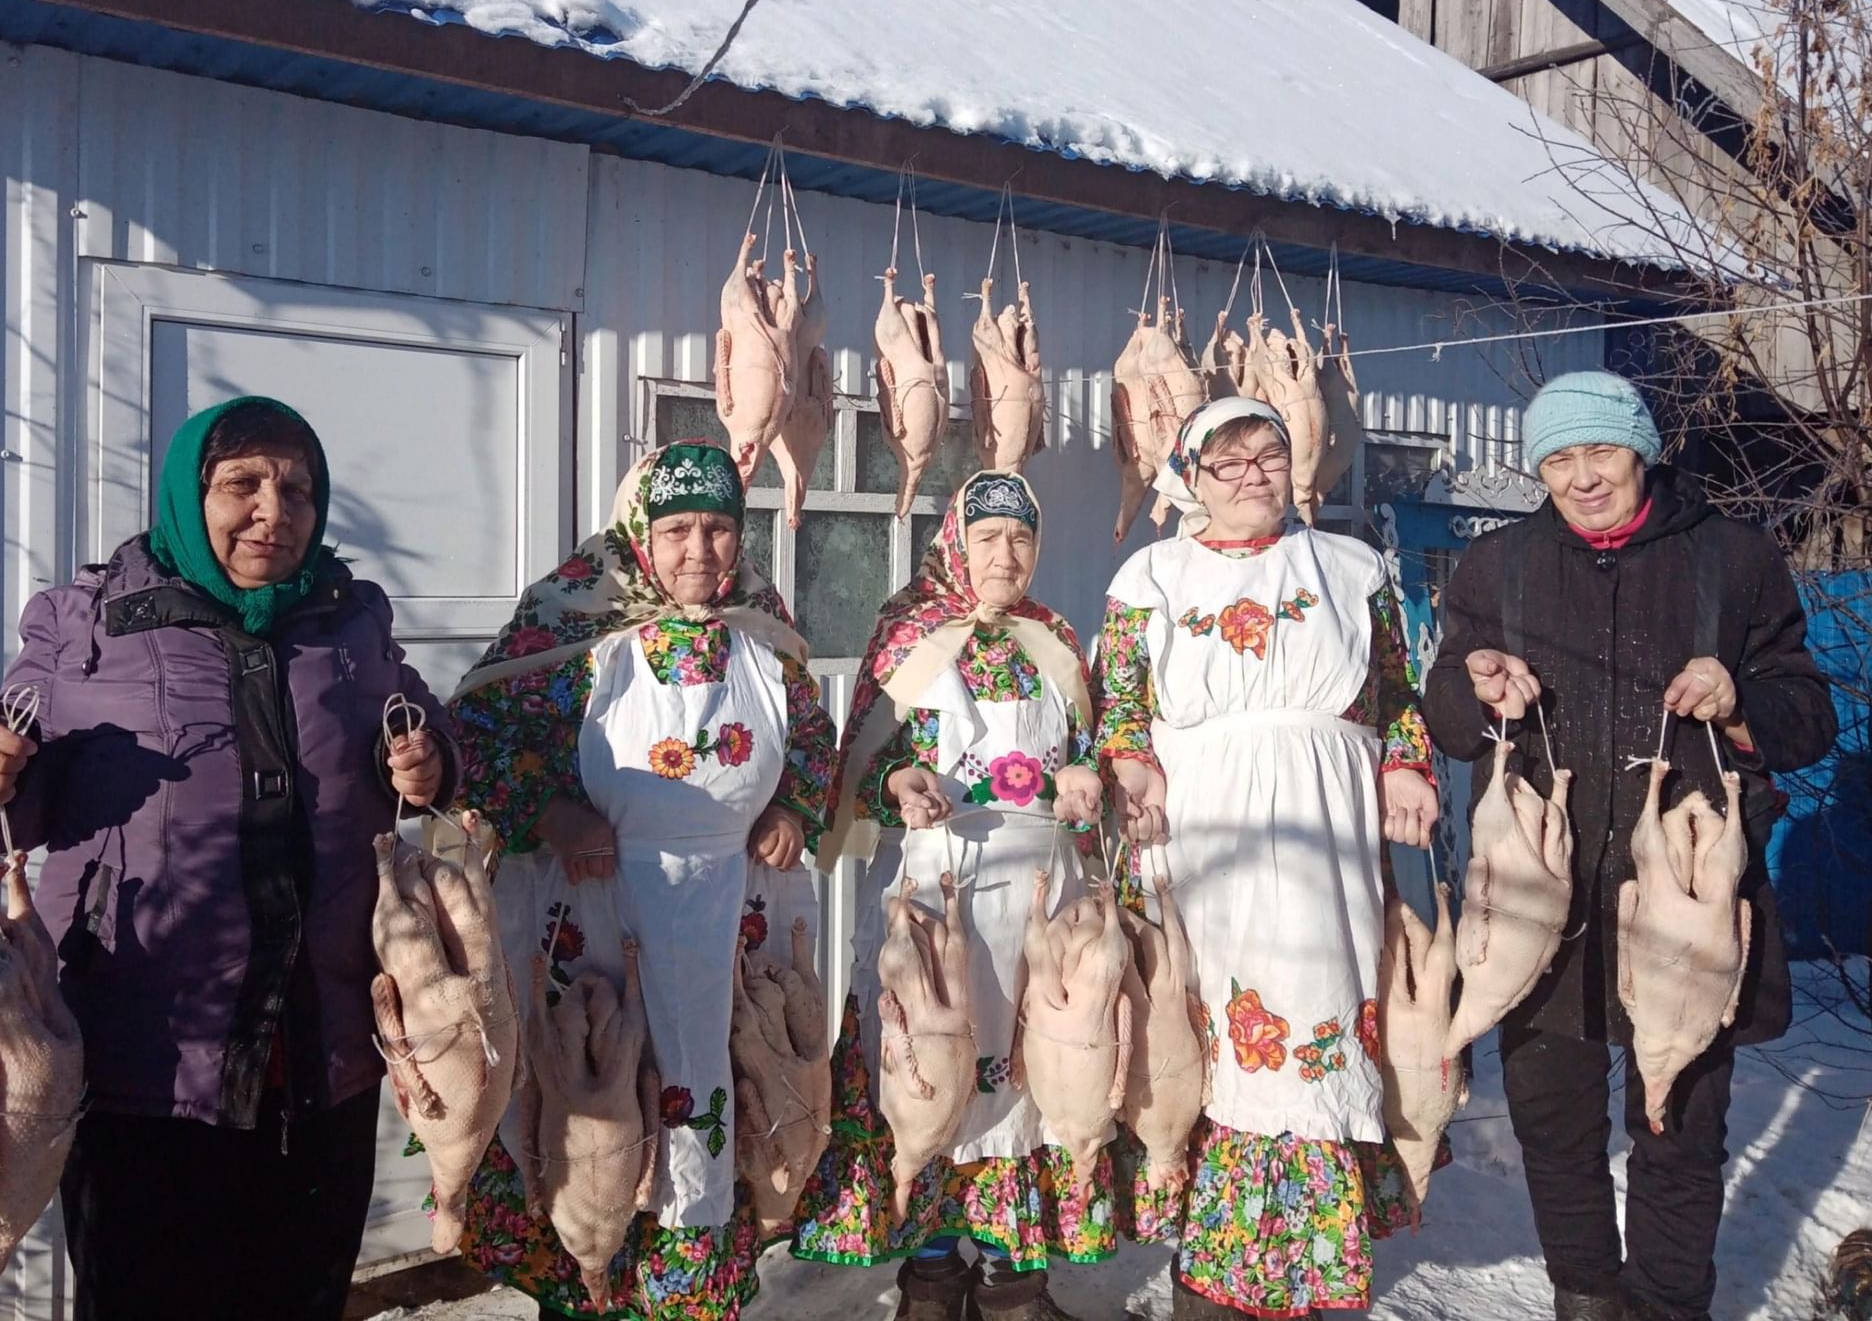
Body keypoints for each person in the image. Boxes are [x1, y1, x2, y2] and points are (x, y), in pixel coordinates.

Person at [0, 396, 457, 1321]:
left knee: (299, 1298)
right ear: (188, 493)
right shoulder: (86, 621)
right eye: (242, 484)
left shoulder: (351, 619)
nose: (274, 510)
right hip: (147, 1066)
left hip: (322, 1051)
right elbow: (4, 807)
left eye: (296, 488)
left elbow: (416, 729)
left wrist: (429, 759)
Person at [1424, 370, 1837, 1321]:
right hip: (1539, 904)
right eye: (1559, 460)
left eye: (1600, 452)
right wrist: (1472, 686)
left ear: (1641, 449)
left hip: (1685, 906)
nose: (1582, 478)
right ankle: (1584, 1298)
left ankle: (1666, 1306)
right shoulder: (1498, 565)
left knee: (1681, 1137)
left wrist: (1739, 702)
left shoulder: (1733, 560)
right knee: (1554, 1130)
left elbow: (1808, 718)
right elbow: (1448, 719)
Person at [447, 441, 838, 1321]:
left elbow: (812, 744)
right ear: (639, 535)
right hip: (600, 921)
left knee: (711, 1112)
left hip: (728, 925)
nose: (700, 551)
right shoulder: (573, 626)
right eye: (676, 530)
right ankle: (582, 1294)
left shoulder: (763, 632)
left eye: (719, 529)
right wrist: (552, 815)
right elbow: (475, 745)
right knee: (594, 1114)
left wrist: (792, 812)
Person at [1092, 397, 1439, 1320]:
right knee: (1195, 1030)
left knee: (1313, 1021)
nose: (1252, 476)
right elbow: (1119, 706)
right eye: (1228, 461)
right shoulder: (1150, 576)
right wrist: (1130, 763)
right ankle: (1210, 1284)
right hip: (1201, 825)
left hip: (1325, 826)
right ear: (1191, 476)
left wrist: (1407, 766)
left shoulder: (1352, 568)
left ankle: (1308, 1268)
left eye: (1270, 457)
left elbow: (1398, 694)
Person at [793, 471, 1109, 1321]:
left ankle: (1014, 1283)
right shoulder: (909, 632)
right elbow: (852, 773)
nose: (1005, 556)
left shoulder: (1058, 639)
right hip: (932, 895)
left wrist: (1086, 773)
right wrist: (899, 782)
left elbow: (1099, 750)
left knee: (1029, 1079)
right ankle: (930, 1276)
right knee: (925, 1073)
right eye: (987, 539)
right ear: (955, 543)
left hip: (1037, 902)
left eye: (1021, 539)